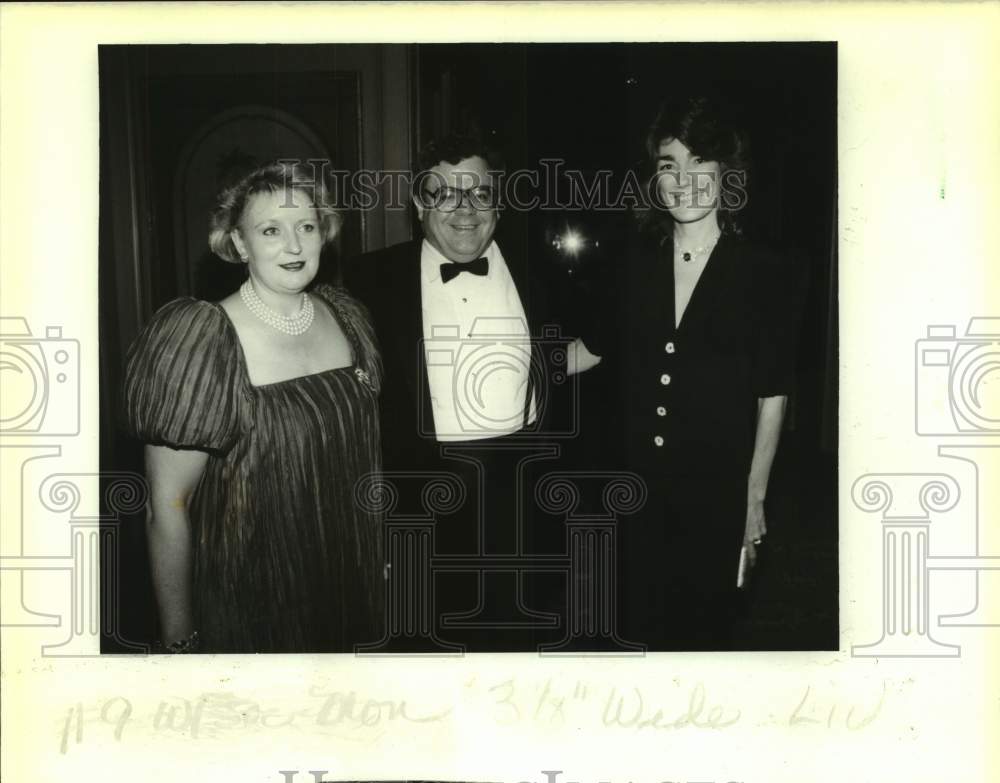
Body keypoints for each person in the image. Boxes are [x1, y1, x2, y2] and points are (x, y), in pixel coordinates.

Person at [122, 161, 385, 653]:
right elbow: (166, 506)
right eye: (271, 230)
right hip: (250, 604)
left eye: (306, 226)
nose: (294, 245)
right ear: (239, 244)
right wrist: (180, 640)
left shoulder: (349, 317)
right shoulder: (200, 340)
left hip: (349, 592)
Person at [345, 133, 586, 650]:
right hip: (420, 509)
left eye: (478, 193)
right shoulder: (368, 280)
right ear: (418, 205)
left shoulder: (541, 271)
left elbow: (595, 344)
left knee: (519, 657)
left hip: (524, 499)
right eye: (444, 194)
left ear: (497, 203)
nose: (463, 209)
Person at [579, 96, 804, 650]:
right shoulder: (633, 266)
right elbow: (588, 351)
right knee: (635, 634)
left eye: (699, 162)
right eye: (667, 165)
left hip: (716, 496)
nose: (683, 181)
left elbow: (771, 397)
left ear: (726, 175)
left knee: (704, 638)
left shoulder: (765, 274)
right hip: (632, 496)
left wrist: (753, 499)